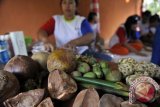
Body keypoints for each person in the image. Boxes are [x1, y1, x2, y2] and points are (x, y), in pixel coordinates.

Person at [37, 0, 112, 61]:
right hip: (61, 55)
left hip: (81, 53)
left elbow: (91, 36)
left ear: (76, 6)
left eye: (71, 2)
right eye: (64, 2)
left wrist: (73, 43)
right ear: (61, 6)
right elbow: (42, 31)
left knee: (109, 59)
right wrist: (45, 40)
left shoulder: (81, 20)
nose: (67, 5)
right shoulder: (56, 20)